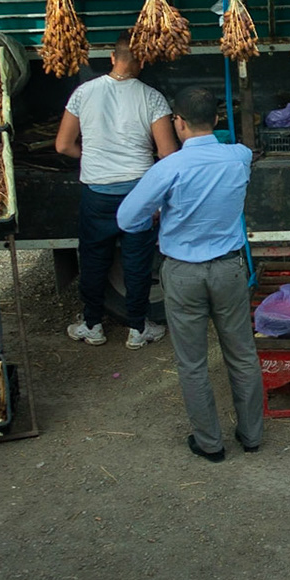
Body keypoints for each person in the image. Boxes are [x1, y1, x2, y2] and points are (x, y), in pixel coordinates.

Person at [116, 86, 262, 462]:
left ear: (177, 123)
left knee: (193, 362)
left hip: (183, 274)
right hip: (229, 269)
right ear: (216, 120)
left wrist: (160, 213)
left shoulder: (168, 168)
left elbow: (127, 219)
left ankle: (210, 443)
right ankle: (251, 435)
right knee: (242, 355)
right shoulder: (239, 157)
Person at [56, 34, 177, 348]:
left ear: (112, 56)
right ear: (143, 62)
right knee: (137, 261)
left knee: (94, 259)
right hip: (138, 193)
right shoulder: (152, 97)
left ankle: (92, 324)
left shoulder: (84, 92)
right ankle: (138, 329)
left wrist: (92, 156)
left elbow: (63, 145)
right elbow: (167, 153)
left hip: (97, 193)